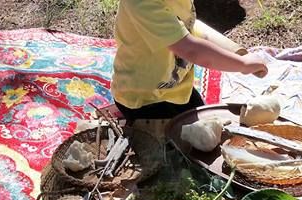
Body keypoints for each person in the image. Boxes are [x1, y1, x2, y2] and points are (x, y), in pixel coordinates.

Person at [111, 0, 268, 122]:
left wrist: (235, 54)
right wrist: (242, 65)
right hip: (142, 98)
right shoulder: (141, 4)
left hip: (177, 87)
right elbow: (191, 49)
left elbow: (189, 26)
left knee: (206, 126)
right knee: (172, 152)